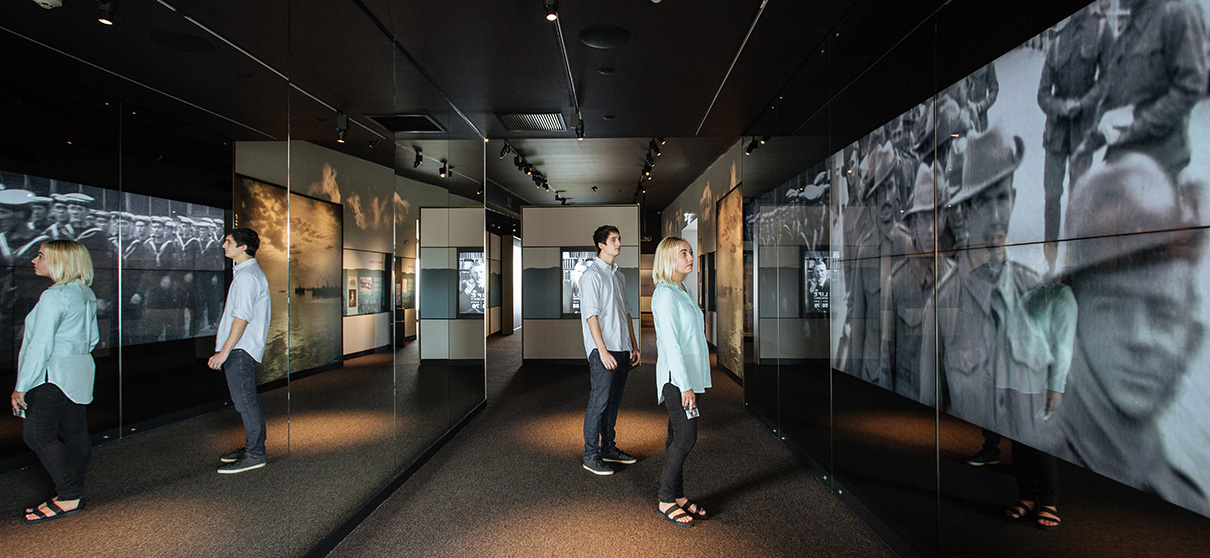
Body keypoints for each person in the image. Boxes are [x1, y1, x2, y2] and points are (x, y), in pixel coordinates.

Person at [10, 239, 99, 523]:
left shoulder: (54, 296)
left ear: (61, 262)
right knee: (75, 432)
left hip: (51, 375)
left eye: (40, 256)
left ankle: (69, 494)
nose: (34, 261)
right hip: (78, 371)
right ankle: (70, 493)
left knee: (37, 435)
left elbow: (40, 345)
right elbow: (93, 338)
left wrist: (21, 385)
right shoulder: (84, 292)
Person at [1037, 2, 1111, 269]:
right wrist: (1061, 107)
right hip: (1056, 132)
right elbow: (1042, 93)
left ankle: (1075, 261)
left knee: (1078, 197)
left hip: (1082, 129)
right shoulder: (1058, 40)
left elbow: (1108, 79)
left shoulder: (1101, 29)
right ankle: (1050, 261)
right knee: (1052, 197)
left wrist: (1084, 103)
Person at [650, 236, 712, 527]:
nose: (690, 257)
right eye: (683, 253)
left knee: (676, 436)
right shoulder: (665, 295)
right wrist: (685, 385)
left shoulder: (681, 289)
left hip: (690, 377)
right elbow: (672, 345)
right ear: (668, 259)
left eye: (690, 252)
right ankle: (665, 499)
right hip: (678, 380)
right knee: (686, 438)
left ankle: (677, 494)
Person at [207, 228, 271, 474]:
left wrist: (224, 352)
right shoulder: (247, 273)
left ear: (243, 247)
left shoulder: (247, 277)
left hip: (240, 349)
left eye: (229, 242)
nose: (224, 245)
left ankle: (255, 453)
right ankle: (253, 448)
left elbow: (241, 318)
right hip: (241, 348)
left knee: (245, 402)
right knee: (245, 401)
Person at [578, 225, 640, 476]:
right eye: (613, 239)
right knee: (599, 402)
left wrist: (634, 345)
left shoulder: (618, 275)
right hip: (603, 351)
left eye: (619, 238)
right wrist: (602, 352)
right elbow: (591, 316)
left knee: (613, 402)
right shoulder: (591, 275)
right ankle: (590, 454)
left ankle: (608, 448)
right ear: (601, 245)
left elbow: (626, 312)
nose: (618, 243)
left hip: (622, 348)